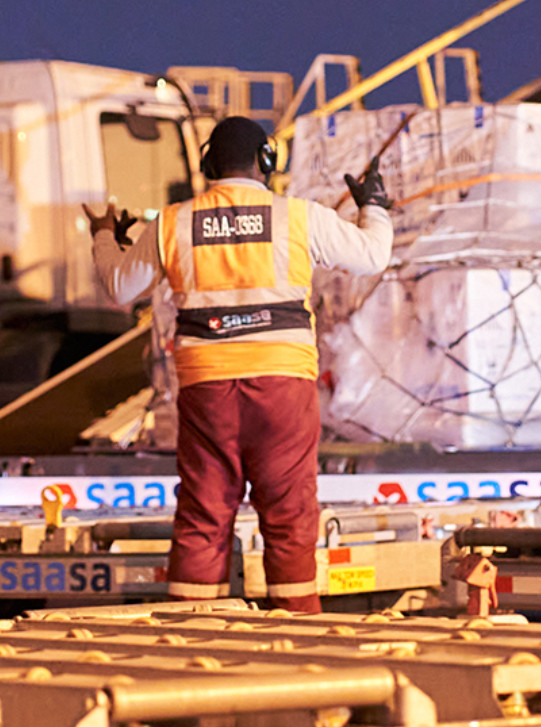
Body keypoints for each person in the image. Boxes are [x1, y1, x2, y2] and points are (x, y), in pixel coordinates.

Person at [86, 115, 393, 612]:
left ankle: (193, 636)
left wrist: (105, 236)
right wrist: (373, 208)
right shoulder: (298, 217)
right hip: (283, 389)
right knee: (290, 514)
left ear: (208, 163)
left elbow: (122, 286)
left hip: (207, 391)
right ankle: (299, 638)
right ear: (266, 161)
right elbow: (373, 255)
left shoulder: (173, 222)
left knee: (204, 514)